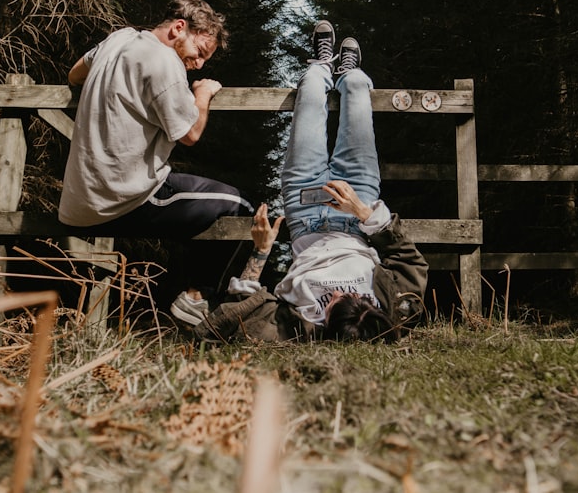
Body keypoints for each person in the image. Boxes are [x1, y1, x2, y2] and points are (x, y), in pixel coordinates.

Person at [173, 20, 429, 342]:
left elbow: (236, 314)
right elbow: (410, 261)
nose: (339, 294)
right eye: (357, 299)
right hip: (356, 205)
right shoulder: (395, 310)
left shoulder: (295, 328)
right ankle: (349, 72)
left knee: (309, 88)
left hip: (304, 207)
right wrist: (365, 214)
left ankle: (322, 66)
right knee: (357, 89)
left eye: (332, 304)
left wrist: (261, 252)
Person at [58, 0, 254, 305]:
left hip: (78, 203)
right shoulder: (165, 61)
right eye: (200, 52)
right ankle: (197, 299)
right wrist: (202, 93)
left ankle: (182, 300)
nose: (199, 64)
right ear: (179, 28)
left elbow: (74, 75)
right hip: (126, 200)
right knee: (238, 205)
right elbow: (190, 134)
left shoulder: (119, 38)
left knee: (200, 203)